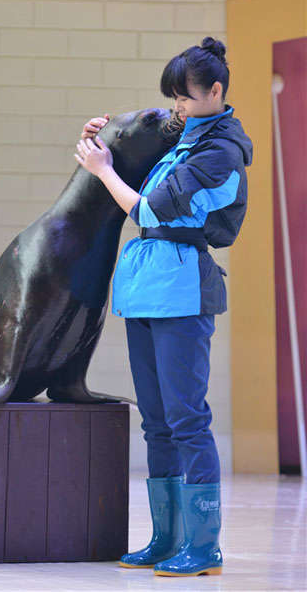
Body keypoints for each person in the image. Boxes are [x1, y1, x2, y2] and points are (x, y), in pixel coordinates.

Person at [74, 36, 253, 577]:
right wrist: (98, 139)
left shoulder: (221, 150)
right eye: (173, 98)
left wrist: (103, 171)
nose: (176, 107)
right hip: (149, 288)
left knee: (187, 419)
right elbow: (136, 147)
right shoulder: (188, 132)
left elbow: (149, 208)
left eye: (185, 97)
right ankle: (166, 538)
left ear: (215, 91)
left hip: (182, 290)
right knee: (156, 422)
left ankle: (204, 546)